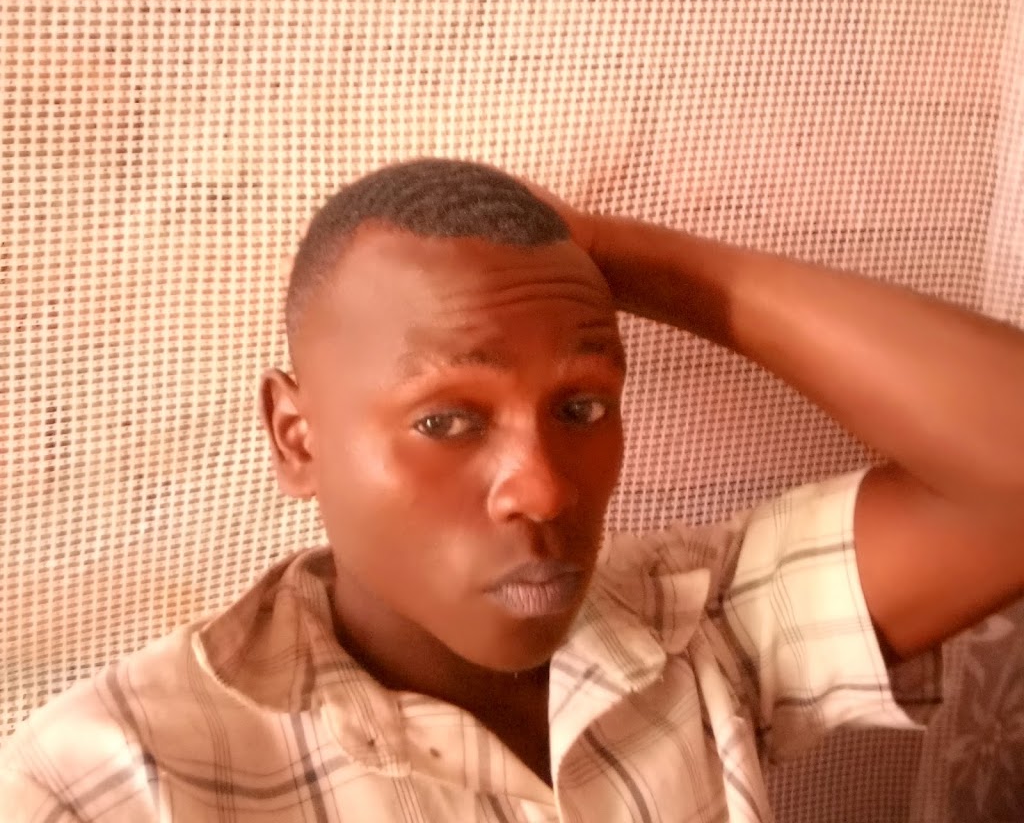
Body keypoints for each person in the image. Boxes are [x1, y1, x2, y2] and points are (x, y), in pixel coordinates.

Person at [2, 158, 1022, 822]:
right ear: (297, 438)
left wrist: (613, 257)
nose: (541, 490)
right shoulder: (121, 776)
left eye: (581, 407)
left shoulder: (694, 626)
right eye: (447, 421)